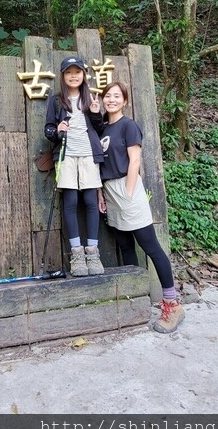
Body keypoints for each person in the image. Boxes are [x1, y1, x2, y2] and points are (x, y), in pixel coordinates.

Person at [94, 81, 185, 333]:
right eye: (107, 96)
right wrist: (102, 193)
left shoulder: (128, 126)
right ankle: (135, 302)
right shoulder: (102, 129)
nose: (111, 99)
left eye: (116, 96)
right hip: (110, 191)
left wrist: (129, 192)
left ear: (124, 101)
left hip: (127, 189)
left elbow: (135, 160)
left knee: (151, 247)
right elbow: (101, 166)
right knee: (124, 246)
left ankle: (172, 304)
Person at [44, 57, 105, 276]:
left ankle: (93, 252)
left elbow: (99, 129)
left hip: (89, 155)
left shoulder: (90, 98)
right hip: (66, 156)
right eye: (68, 72)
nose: (73, 75)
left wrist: (97, 113)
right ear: (62, 76)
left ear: (83, 75)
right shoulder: (56, 100)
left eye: (77, 71)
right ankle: (77, 255)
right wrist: (57, 130)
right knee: (70, 202)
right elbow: (49, 130)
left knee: (90, 201)